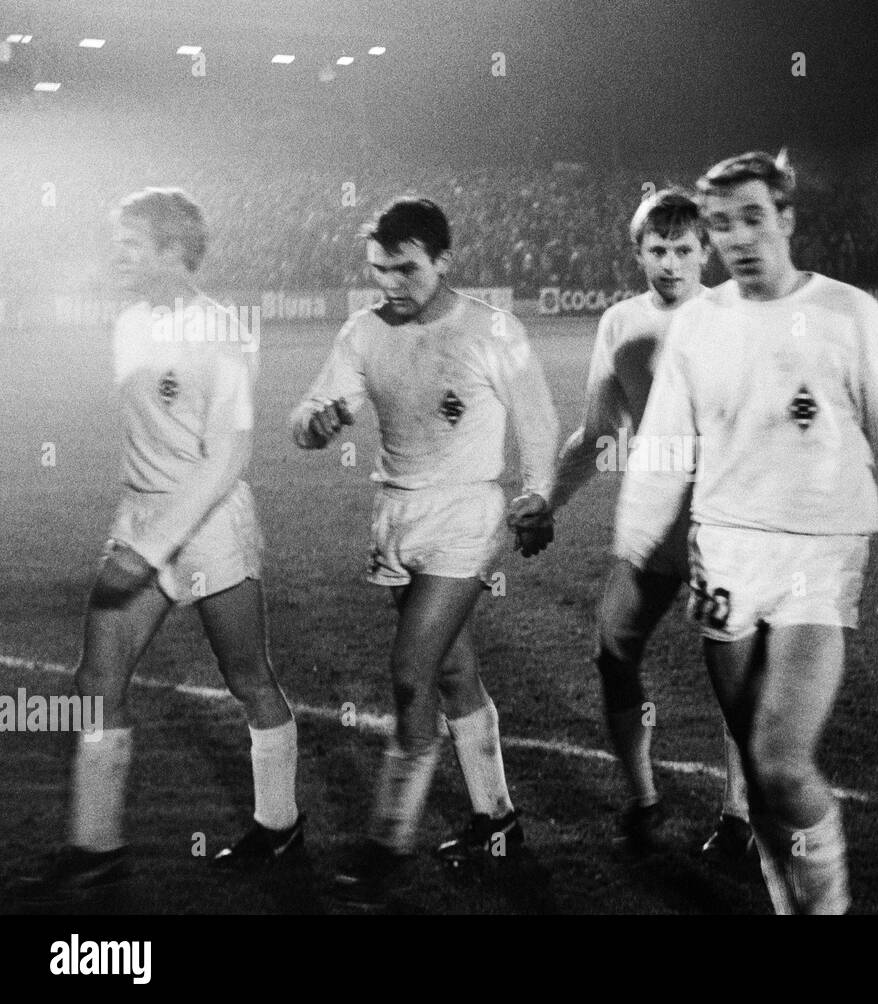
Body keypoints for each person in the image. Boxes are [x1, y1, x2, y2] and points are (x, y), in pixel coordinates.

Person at [615, 151, 878, 914]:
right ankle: (786, 901)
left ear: (788, 219)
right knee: (761, 776)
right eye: (721, 224)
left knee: (779, 760)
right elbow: (666, 445)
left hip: (818, 558)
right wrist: (636, 549)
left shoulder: (850, 314)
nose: (737, 238)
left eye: (753, 218)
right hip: (725, 552)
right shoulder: (699, 324)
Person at [18, 188, 302, 903]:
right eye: (115, 242)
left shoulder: (223, 332)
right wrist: (138, 535)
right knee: (95, 681)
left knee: (248, 678)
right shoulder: (129, 322)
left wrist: (154, 549)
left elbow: (226, 457)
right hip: (140, 520)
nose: (117, 255)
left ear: (176, 252)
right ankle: (94, 847)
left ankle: (280, 823)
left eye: (132, 244)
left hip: (209, 525)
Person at [290, 197, 559, 907]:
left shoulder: (491, 329)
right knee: (454, 671)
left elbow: (536, 417)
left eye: (406, 268)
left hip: (467, 512)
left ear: (443, 260)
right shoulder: (363, 331)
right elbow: (313, 410)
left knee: (411, 673)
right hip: (396, 515)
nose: (391, 283)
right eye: (380, 269)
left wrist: (537, 492)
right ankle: (497, 821)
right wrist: (313, 425)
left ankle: (387, 842)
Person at [548, 188, 751, 857]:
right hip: (650, 525)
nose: (669, 262)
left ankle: (740, 816)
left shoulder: (738, 316)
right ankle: (643, 800)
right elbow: (597, 434)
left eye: (683, 249)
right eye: (656, 250)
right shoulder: (618, 323)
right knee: (612, 653)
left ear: (706, 251)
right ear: (638, 252)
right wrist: (547, 503)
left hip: (727, 528)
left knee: (735, 680)